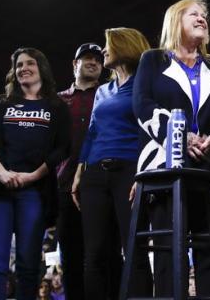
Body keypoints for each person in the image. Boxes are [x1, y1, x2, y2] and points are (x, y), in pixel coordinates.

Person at [134, 0, 210, 297]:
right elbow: (142, 104)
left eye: (204, 15)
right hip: (165, 168)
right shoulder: (152, 60)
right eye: (193, 13)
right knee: (168, 250)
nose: (202, 18)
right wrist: (179, 136)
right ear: (175, 20)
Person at [0, 47, 71, 300]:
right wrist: (1, 172)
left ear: (42, 69)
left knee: (28, 265)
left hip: (35, 192)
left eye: (30, 63)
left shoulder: (56, 106)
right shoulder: (0, 103)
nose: (23, 68)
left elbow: (63, 148)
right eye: (18, 65)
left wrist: (33, 176)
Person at [71, 28, 152, 299]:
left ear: (125, 46)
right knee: (94, 254)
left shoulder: (146, 82)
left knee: (134, 250)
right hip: (94, 175)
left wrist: (143, 174)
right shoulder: (103, 90)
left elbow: (150, 130)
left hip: (130, 172)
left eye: (108, 45)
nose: (104, 51)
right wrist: (80, 171)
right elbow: (92, 132)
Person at [56, 43, 105, 300]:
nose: (93, 62)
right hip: (64, 187)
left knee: (100, 256)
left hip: (101, 186)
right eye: (86, 58)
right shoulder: (57, 100)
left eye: (97, 59)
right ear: (74, 64)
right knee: (71, 258)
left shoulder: (109, 96)